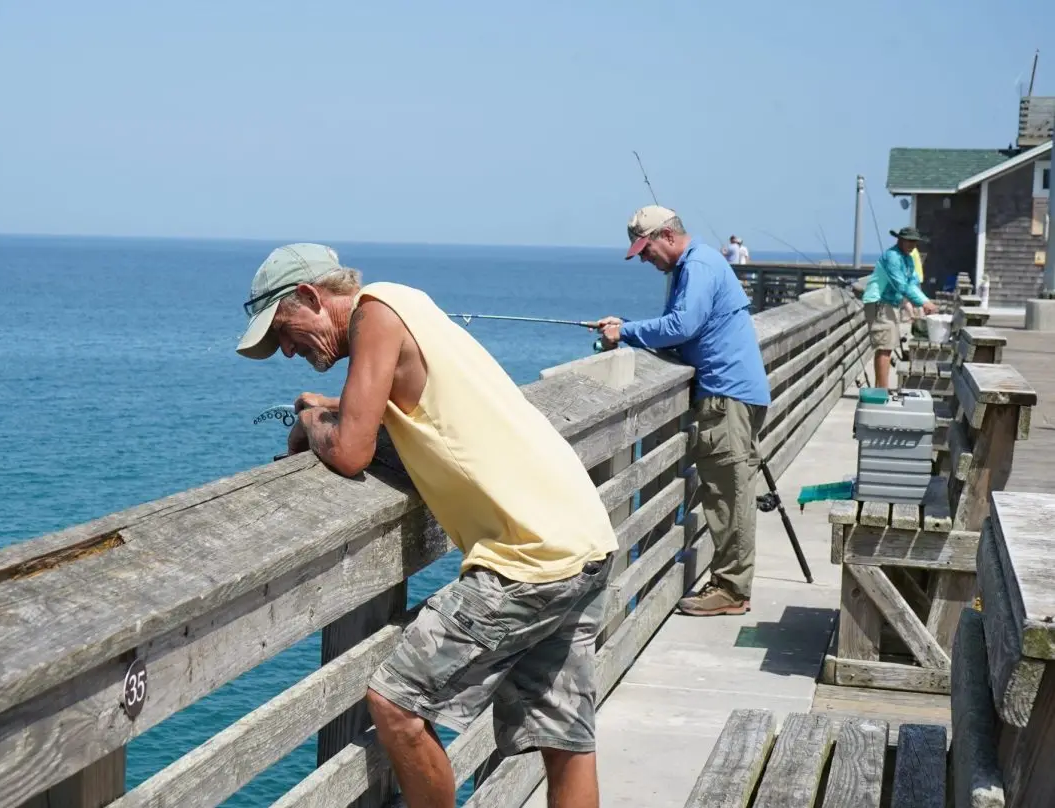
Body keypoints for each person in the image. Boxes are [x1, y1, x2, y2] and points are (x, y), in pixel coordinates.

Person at [235, 243, 617, 808]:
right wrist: (334, 412)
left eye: (285, 332)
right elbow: (400, 412)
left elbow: (349, 453)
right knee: (564, 741)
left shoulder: (375, 316)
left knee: (397, 702)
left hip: (529, 559)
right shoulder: (404, 302)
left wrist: (312, 419)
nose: (288, 351)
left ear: (311, 296)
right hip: (583, 537)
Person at [594, 206, 771, 617]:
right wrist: (629, 327)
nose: (643, 258)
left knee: (729, 494)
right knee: (730, 490)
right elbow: (684, 326)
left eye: (645, 248)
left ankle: (731, 590)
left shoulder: (699, 265)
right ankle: (731, 585)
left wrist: (626, 332)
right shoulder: (701, 262)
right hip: (734, 393)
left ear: (668, 237)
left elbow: (681, 327)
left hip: (727, 396)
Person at [861, 227, 937, 388]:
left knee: (888, 346)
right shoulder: (892, 257)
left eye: (915, 241)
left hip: (892, 304)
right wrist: (923, 303)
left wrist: (925, 300)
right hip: (879, 303)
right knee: (885, 348)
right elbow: (901, 285)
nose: (912, 244)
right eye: (909, 240)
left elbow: (913, 283)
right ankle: (882, 391)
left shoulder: (908, 259)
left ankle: (879, 390)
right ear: (900, 240)